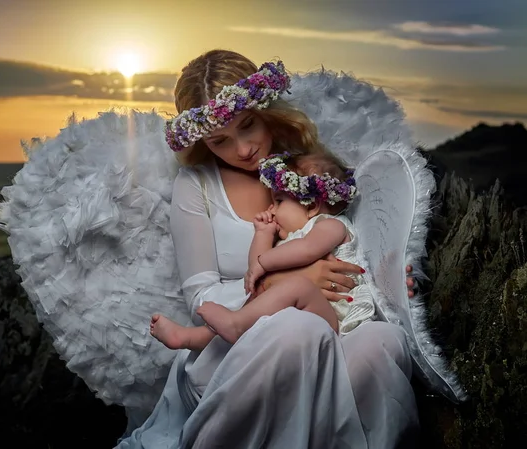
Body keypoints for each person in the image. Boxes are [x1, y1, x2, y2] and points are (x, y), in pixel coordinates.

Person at [116, 50, 419, 449]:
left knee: (383, 342)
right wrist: (290, 280)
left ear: (266, 111)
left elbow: (352, 243)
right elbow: (201, 297)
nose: (242, 149)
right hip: (234, 347)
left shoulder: (308, 169)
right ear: (202, 141)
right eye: (220, 140)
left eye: (248, 126)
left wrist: (389, 278)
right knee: (298, 329)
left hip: (330, 324)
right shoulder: (197, 185)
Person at [149, 151, 376, 350]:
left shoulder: (330, 225)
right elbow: (254, 268)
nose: (271, 210)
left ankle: (234, 326)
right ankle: (196, 338)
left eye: (278, 201)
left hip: (336, 320)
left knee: (296, 286)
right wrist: (263, 234)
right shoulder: (289, 240)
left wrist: (265, 263)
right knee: (258, 296)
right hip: (298, 322)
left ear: (311, 205)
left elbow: (306, 250)